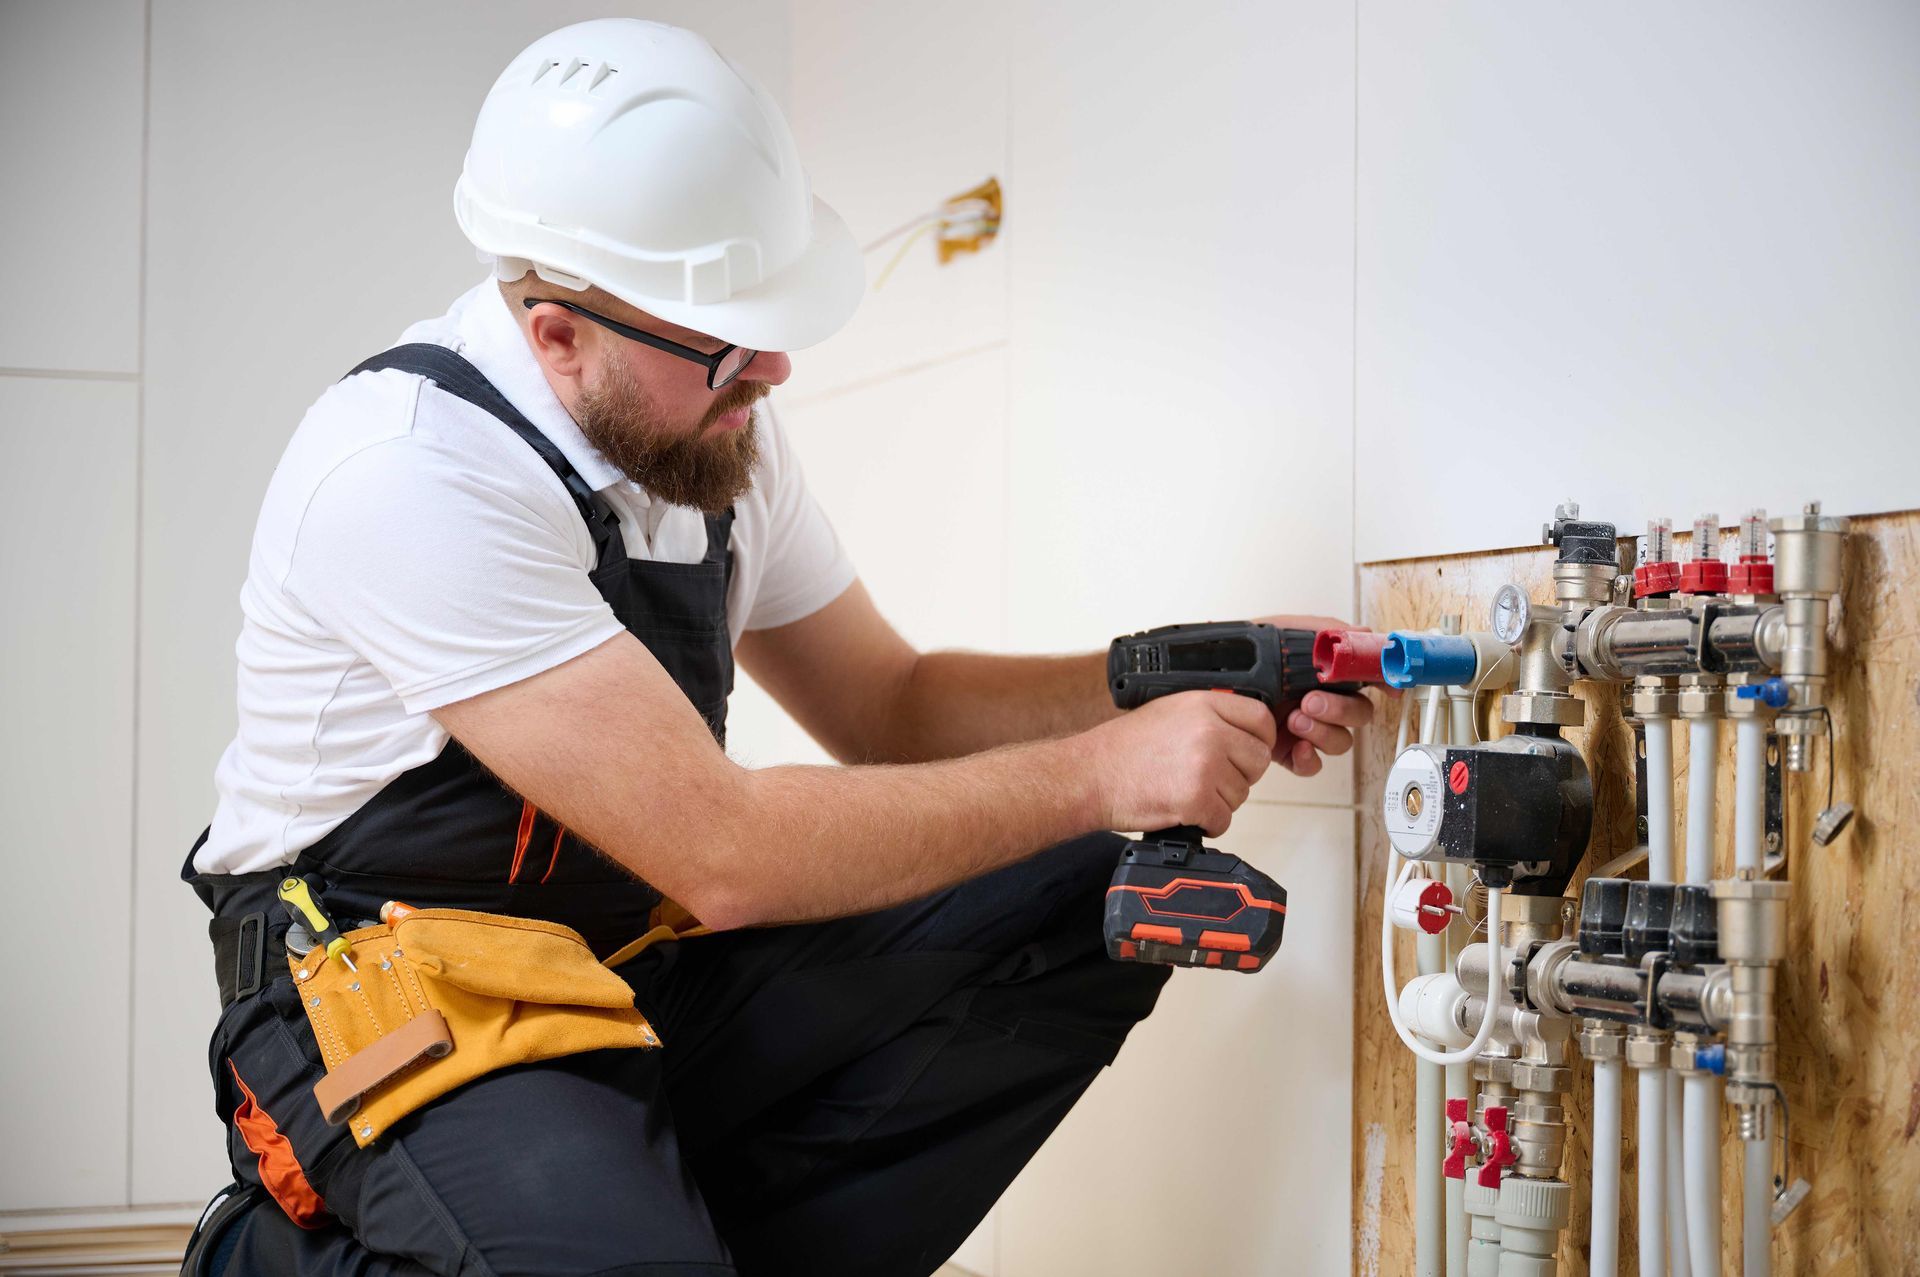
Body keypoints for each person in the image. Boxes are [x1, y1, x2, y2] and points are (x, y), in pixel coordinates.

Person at [178, 18, 1372, 1277]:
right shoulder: (411, 471)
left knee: (1081, 899)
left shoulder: (704, 439)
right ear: (557, 332)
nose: (776, 369)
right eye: (722, 343)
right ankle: (264, 1258)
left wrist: (1161, 683)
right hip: (376, 979)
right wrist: (1103, 768)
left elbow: (894, 706)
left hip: (616, 964)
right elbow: (725, 851)